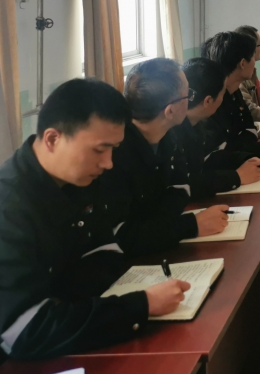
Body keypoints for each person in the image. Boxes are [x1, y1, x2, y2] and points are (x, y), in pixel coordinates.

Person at [0, 79, 189, 374]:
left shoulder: (76, 178)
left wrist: (63, 305)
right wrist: (140, 305)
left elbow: (106, 252)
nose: (108, 163)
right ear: (53, 139)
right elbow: (27, 333)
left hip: (46, 336)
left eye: (114, 149)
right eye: (99, 150)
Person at [98, 58, 231, 256]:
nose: (191, 99)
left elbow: (181, 187)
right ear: (170, 110)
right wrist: (189, 225)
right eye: (188, 94)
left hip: (158, 247)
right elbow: (123, 236)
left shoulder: (169, 135)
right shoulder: (115, 154)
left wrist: (161, 227)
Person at [175, 56, 260, 198]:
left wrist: (247, 159)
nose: (224, 99)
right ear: (208, 101)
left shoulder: (197, 124)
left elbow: (211, 158)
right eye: (223, 94)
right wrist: (237, 177)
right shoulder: (173, 131)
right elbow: (184, 183)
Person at [202, 31, 260, 160]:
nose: (255, 63)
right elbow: (222, 150)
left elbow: (249, 131)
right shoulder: (214, 100)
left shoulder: (235, 91)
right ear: (243, 63)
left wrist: (247, 146)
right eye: (252, 57)